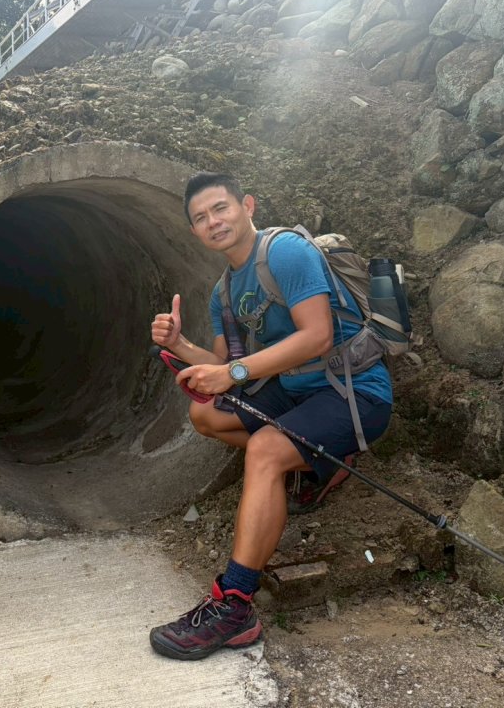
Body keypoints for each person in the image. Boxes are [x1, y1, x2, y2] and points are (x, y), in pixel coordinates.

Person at [148, 172, 393, 661]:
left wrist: (234, 371)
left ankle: (235, 606)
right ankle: (313, 465)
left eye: (220, 208)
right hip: (298, 395)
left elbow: (317, 336)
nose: (213, 221)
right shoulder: (224, 293)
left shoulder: (284, 252)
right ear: (195, 232)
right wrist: (180, 345)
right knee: (207, 415)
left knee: (264, 450)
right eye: (201, 218)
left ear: (247, 206)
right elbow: (222, 368)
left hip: (352, 391)